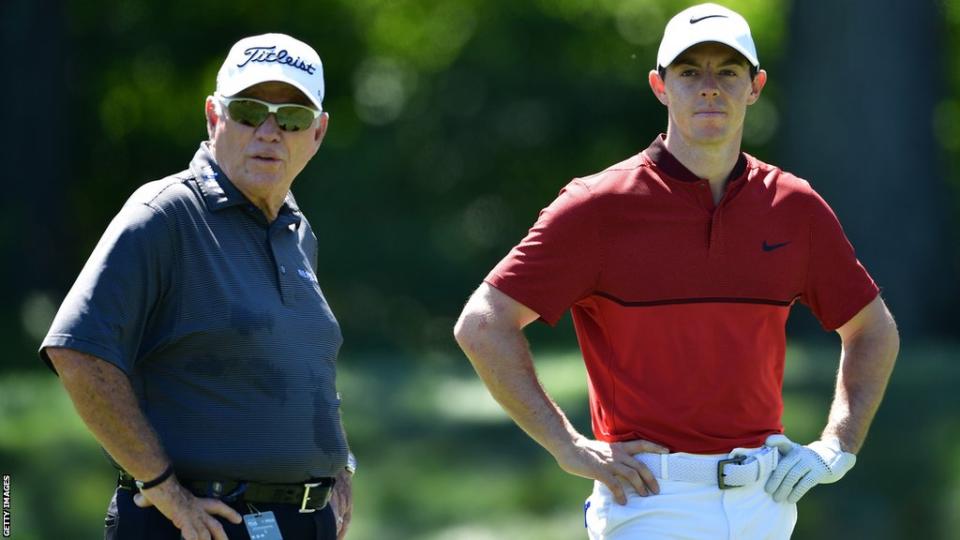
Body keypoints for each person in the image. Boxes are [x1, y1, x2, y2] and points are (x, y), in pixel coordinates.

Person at [453, 4, 900, 539]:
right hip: (648, 500)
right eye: (689, 72)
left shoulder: (794, 206)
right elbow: (483, 325)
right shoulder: (598, 206)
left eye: (728, 72)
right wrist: (567, 444)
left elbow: (873, 329)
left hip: (767, 503)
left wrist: (836, 446)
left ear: (755, 86)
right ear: (660, 86)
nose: (709, 87)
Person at [41, 33, 357, 540]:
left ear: (317, 133)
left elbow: (304, 363)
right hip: (196, 525)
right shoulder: (163, 214)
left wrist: (339, 465)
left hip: (298, 524)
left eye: (292, 118)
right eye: (250, 111)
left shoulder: (297, 230)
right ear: (214, 116)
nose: (270, 132)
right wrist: (166, 491)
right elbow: (78, 353)